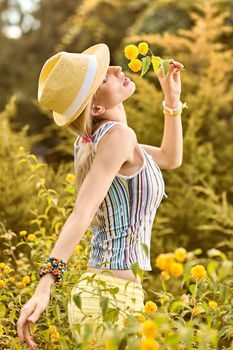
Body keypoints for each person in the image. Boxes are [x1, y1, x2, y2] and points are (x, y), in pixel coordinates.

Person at [16, 43, 186, 349]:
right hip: (109, 298)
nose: (117, 69)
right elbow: (82, 212)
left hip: (111, 295)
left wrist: (171, 100)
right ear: (95, 108)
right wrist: (45, 284)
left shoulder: (103, 141)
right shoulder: (118, 137)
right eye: (105, 76)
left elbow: (170, 158)